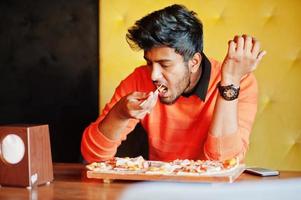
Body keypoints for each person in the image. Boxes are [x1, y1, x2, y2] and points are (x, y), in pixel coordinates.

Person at [81, 4, 266, 163]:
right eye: (149, 62)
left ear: (193, 62)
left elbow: (224, 164)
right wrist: (120, 114)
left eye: (164, 64)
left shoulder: (240, 81)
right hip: (160, 189)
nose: (153, 75)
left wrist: (230, 83)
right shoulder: (140, 79)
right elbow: (92, 156)